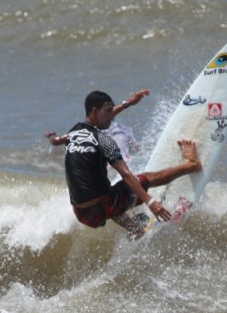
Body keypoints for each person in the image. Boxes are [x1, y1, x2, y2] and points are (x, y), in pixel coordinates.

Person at [52, 89, 202, 238]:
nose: (112, 117)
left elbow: (103, 118)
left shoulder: (72, 133)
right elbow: (125, 174)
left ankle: (136, 230)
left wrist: (128, 103)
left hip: (84, 214)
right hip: (102, 206)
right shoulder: (104, 141)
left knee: (107, 192)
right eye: (109, 111)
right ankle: (191, 165)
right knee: (144, 179)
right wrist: (150, 202)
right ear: (95, 111)